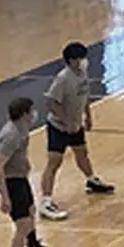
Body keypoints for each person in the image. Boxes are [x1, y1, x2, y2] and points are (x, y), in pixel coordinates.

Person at [38, 41, 115, 219]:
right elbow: (51, 102)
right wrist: (66, 121)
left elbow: (85, 95)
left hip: (76, 125)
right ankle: (46, 202)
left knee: (82, 154)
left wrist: (88, 115)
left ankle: (91, 181)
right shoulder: (63, 79)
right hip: (58, 127)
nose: (84, 61)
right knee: (54, 162)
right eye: (80, 58)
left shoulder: (82, 74)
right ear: (71, 60)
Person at [0, 96, 56, 247]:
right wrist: (5, 197)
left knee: (30, 210)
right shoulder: (11, 136)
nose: (34, 113)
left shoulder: (22, 129)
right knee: (23, 225)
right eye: (31, 110)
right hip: (10, 182)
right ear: (24, 114)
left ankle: (33, 246)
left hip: (19, 179)